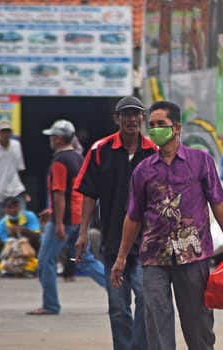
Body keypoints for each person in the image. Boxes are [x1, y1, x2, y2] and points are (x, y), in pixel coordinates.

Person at [110, 101, 223, 350]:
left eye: (161, 124)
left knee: (198, 325)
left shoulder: (200, 161)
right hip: (153, 258)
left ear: (177, 127)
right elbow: (133, 217)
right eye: (152, 125)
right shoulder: (143, 170)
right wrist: (121, 258)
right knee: (156, 324)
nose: (155, 130)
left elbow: (218, 203)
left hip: (193, 256)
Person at [74, 96, 156, 350]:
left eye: (136, 114)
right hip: (112, 240)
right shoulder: (100, 150)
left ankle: (139, 346)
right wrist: (83, 232)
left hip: (146, 242)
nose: (132, 119)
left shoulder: (153, 152)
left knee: (145, 297)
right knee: (118, 306)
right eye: (126, 114)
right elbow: (88, 193)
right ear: (117, 119)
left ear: (142, 118)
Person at [27, 119, 106, 316]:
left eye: (52, 137)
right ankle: (118, 291)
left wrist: (59, 222)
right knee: (86, 259)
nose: (50, 140)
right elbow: (76, 192)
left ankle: (51, 305)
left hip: (66, 220)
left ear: (59, 139)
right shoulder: (78, 158)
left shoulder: (60, 161)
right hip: (79, 218)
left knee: (45, 261)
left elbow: (60, 194)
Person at [0, 196, 40, 276]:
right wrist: (12, 235)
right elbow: (4, 241)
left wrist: (24, 231)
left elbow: (37, 236)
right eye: (10, 207)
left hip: (29, 247)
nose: (14, 210)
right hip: (11, 250)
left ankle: (33, 266)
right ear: (5, 210)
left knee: (27, 243)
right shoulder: (2, 223)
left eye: (16, 206)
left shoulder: (30, 216)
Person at [0, 119, 27, 217]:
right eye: (3, 131)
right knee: (3, 226)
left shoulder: (16, 145)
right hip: (0, 194)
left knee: (22, 220)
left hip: (16, 190)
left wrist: (24, 191)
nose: (6, 134)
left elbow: (20, 169)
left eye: (8, 131)